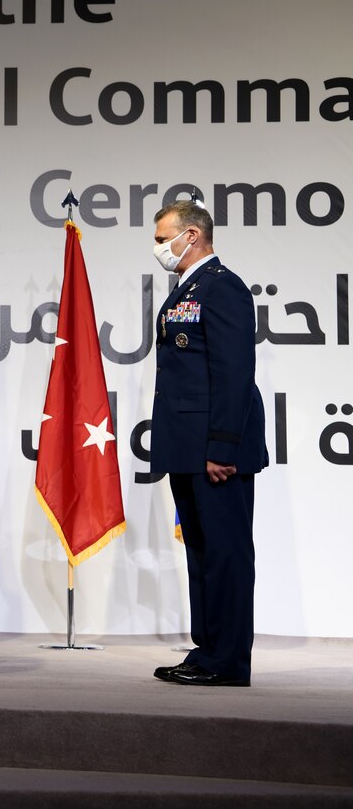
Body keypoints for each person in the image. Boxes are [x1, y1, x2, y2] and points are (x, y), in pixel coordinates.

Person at [148, 200, 267, 687]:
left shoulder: (223, 288)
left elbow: (234, 374)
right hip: (187, 446)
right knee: (201, 551)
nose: (158, 248)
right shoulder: (186, 290)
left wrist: (222, 446)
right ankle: (208, 649)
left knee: (227, 553)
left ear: (191, 235)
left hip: (215, 449)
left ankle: (230, 661)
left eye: (162, 238)